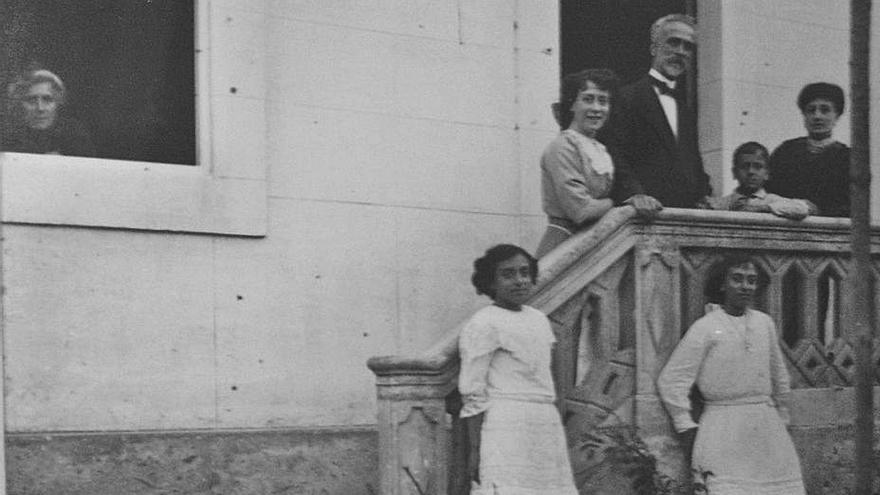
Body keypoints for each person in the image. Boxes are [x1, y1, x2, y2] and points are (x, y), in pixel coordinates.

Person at [657, 254, 806, 494]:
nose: (745, 286)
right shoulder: (706, 327)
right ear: (723, 284)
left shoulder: (764, 323)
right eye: (737, 279)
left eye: (751, 280)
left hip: (765, 425)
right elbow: (672, 380)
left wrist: (782, 414)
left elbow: (778, 374)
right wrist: (684, 424)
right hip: (722, 426)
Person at [458, 244, 577, 494]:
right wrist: (475, 449)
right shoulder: (484, 323)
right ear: (490, 282)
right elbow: (472, 390)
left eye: (524, 272)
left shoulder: (538, 319)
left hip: (544, 421)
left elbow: (549, 377)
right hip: (506, 422)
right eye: (508, 274)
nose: (520, 280)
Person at [536, 68, 661, 257]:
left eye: (603, 101)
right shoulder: (563, 146)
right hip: (562, 245)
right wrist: (623, 203)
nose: (596, 108)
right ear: (572, 104)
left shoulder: (599, 148)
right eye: (588, 99)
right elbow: (581, 211)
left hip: (592, 242)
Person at [600, 14, 711, 209]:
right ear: (653, 48)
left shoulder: (685, 109)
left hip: (683, 216)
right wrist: (634, 194)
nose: (681, 52)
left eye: (688, 47)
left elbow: (692, 163)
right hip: (644, 216)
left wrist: (704, 195)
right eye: (673, 42)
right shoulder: (626, 97)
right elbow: (615, 153)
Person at [764, 82, 850, 217]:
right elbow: (769, 190)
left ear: (837, 115)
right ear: (804, 115)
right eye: (811, 110)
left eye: (825, 110)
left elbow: (849, 206)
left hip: (828, 231)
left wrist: (816, 209)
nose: (817, 116)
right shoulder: (786, 151)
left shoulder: (848, 158)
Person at [707, 141, 814, 220]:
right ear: (734, 172)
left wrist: (762, 208)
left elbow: (801, 209)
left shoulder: (772, 200)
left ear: (767, 173)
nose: (750, 172)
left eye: (757, 166)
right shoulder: (722, 203)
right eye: (744, 166)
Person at [2, 67, 96, 157]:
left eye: (47, 99)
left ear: (58, 102)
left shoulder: (75, 136)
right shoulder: (7, 137)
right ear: (20, 104)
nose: (40, 108)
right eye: (31, 100)